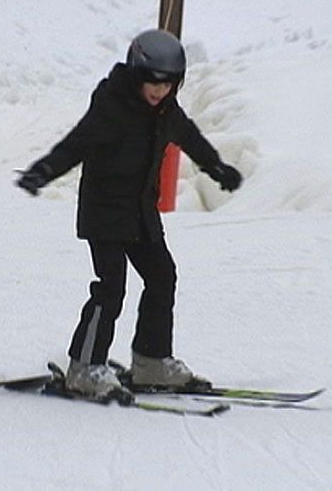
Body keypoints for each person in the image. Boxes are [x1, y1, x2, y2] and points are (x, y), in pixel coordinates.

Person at [15, 29, 243, 398]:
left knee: (162, 275)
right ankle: (85, 367)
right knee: (111, 288)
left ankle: (151, 360)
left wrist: (217, 168)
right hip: (104, 212)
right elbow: (76, 144)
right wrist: (43, 170)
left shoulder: (166, 110)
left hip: (140, 210)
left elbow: (190, 138)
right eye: (152, 83)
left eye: (167, 84)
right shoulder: (112, 105)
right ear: (136, 75)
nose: (158, 91)